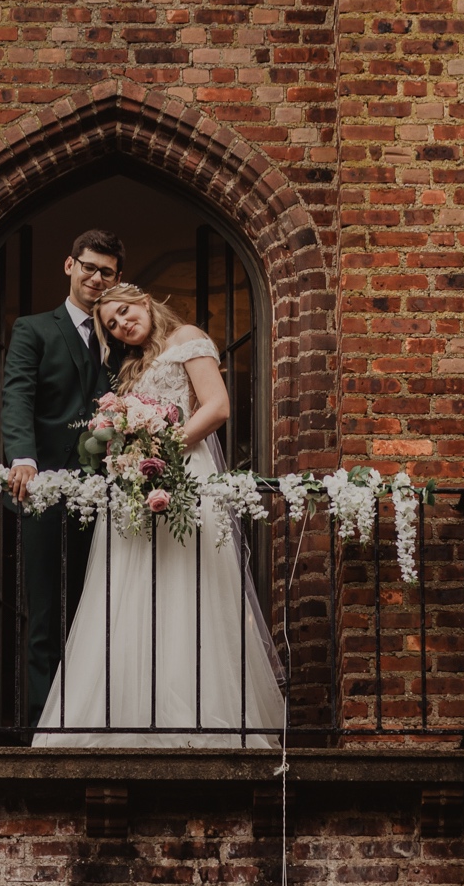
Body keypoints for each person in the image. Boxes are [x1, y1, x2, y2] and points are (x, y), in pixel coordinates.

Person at [33, 283, 286, 747]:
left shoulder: (186, 337)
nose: (122, 325)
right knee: (130, 591)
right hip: (138, 485)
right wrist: (126, 449)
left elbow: (217, 407)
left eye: (124, 312)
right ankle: (127, 717)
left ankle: (198, 717)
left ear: (144, 301)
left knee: (187, 585)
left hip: (183, 472)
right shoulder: (132, 367)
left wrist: (161, 448)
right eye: (112, 325)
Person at [1, 229, 124, 729]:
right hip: (45, 491)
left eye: (107, 272)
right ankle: (43, 730)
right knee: (46, 615)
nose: (96, 278)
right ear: (70, 265)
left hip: (113, 497)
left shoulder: (122, 334)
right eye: (89, 267)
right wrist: (23, 458)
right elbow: (18, 395)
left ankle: (102, 724)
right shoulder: (34, 329)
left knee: (106, 613)